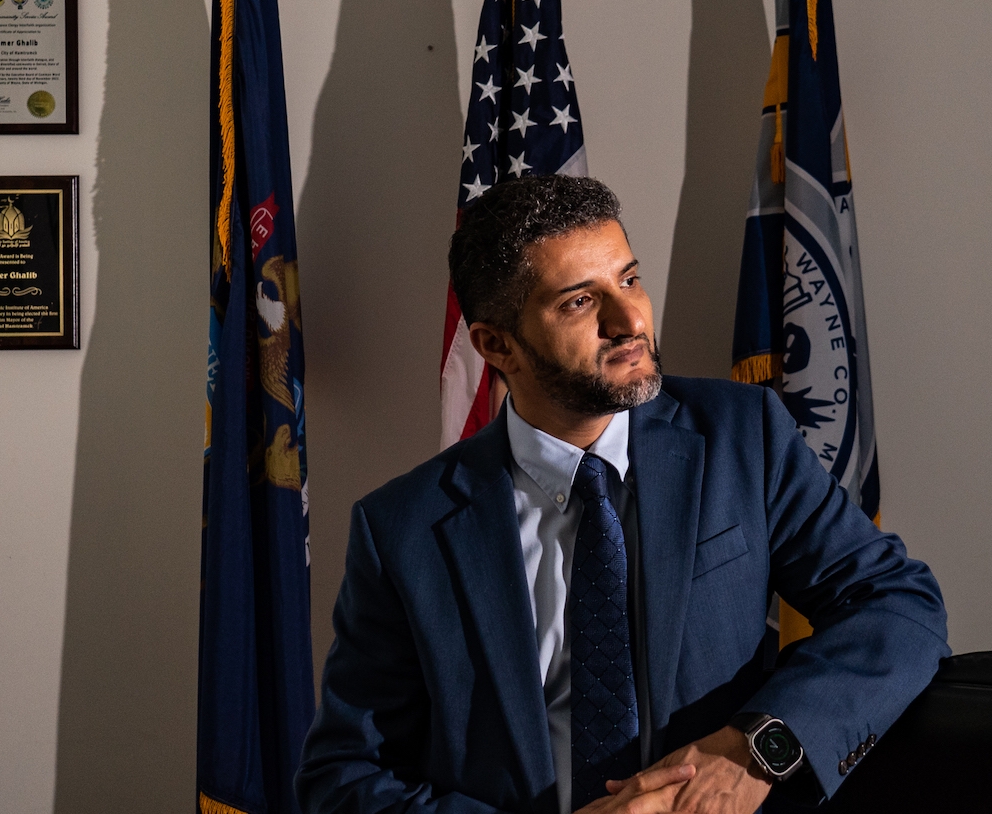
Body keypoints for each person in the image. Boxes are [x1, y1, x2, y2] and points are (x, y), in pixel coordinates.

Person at [299, 176, 947, 814]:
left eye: (629, 279)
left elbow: (897, 605)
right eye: (580, 301)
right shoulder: (403, 528)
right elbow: (345, 776)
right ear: (497, 345)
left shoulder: (741, 437)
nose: (629, 318)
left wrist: (756, 750)